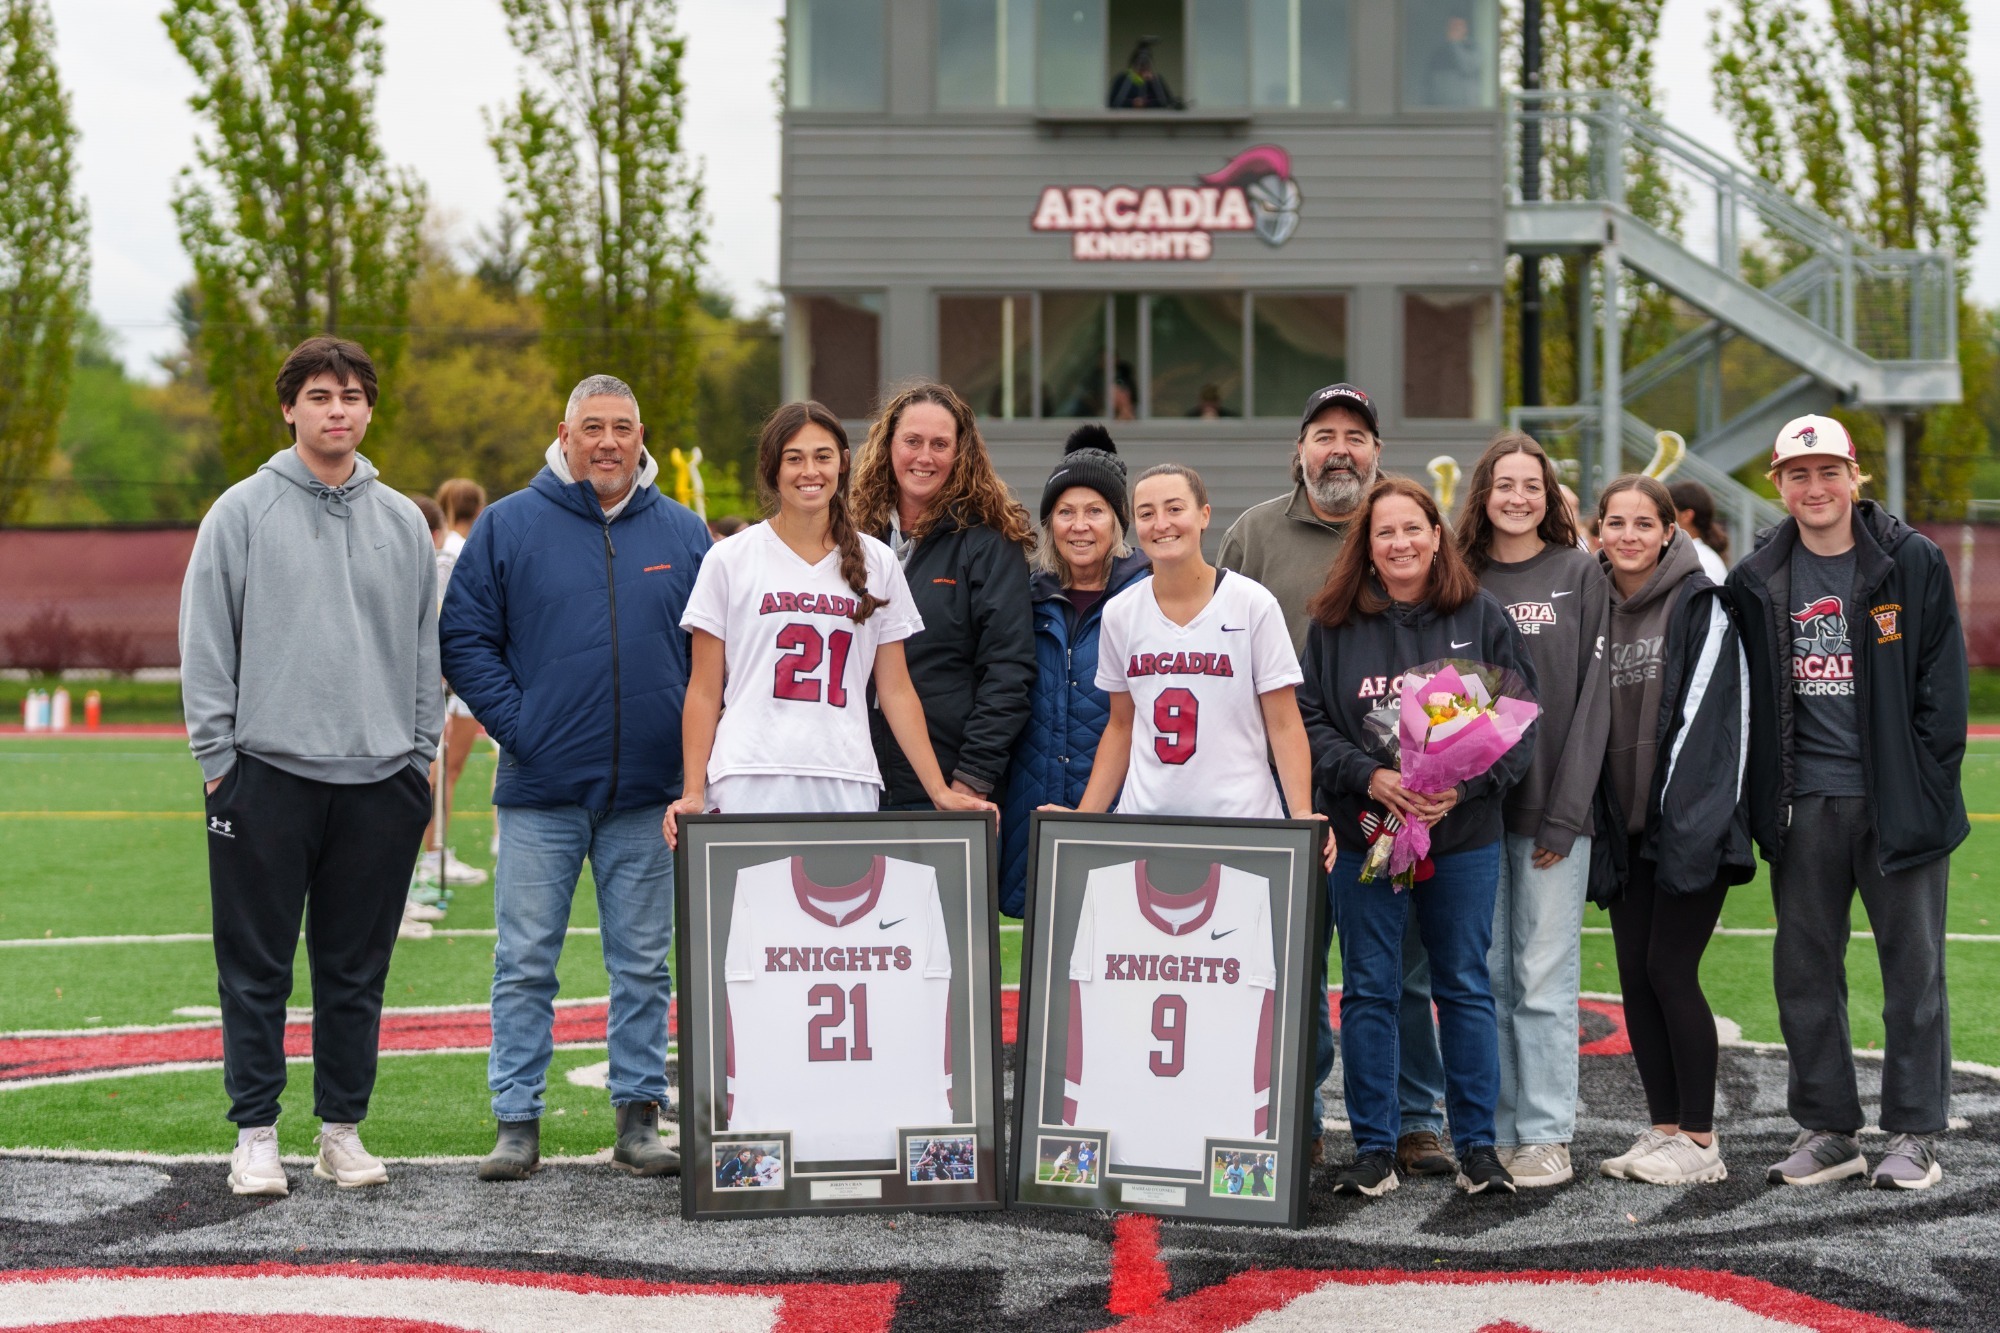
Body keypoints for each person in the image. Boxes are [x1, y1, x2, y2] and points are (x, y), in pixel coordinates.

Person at [179, 335, 442, 1198]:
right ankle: (256, 1134)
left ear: (370, 409)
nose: (339, 409)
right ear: (289, 406)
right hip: (266, 778)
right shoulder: (240, 511)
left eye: (354, 395)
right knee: (254, 965)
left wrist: (418, 759)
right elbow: (207, 643)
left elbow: (422, 650)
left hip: (379, 784)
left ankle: (341, 1130)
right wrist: (220, 762)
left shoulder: (404, 520)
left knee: (354, 969)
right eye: (321, 394)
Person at [441, 374, 710, 1184]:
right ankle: (517, 1121)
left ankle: (637, 1118)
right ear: (564, 433)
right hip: (541, 791)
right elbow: (465, 638)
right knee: (524, 959)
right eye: (591, 426)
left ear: (641, 435)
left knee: (643, 964)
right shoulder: (510, 525)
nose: (607, 442)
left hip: (648, 795)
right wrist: (525, 729)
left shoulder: (688, 532)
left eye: (621, 427)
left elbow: (715, 655)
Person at [1728, 415, 1968, 1191]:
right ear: (1778, 483)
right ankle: (1831, 1129)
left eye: (1829, 470)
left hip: (1895, 805)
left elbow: (1943, 689)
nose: (1815, 487)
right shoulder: (1756, 575)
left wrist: (1924, 789)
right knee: (1803, 973)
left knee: (1914, 972)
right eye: (1799, 474)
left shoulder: (1912, 560)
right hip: (1804, 805)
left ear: (1854, 476)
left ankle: (1914, 1132)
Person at [1297, 476, 1536, 1198]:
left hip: (1459, 837)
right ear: (1365, 548)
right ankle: (1374, 1147)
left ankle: (1479, 1149)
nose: (1400, 543)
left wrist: (1459, 790)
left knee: (1463, 986)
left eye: (1413, 528)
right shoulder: (1335, 624)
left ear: (1437, 535)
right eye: (1384, 532)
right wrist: (1369, 777)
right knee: (1369, 987)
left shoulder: (1481, 615)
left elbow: (1518, 726)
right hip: (1365, 831)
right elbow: (1307, 721)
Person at [1403, 432, 1609, 1189]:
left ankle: (1547, 1134)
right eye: (1505, 484)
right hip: (1471, 818)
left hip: (1554, 812)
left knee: (1544, 976)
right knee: (1480, 974)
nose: (1518, 497)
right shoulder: (1459, 575)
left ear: (1550, 497)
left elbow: (1591, 709)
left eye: (1533, 485)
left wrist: (1568, 810)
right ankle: (1488, 1131)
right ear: (1482, 493)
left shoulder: (1581, 573)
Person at [662, 401, 995, 839]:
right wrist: (692, 791)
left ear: (842, 462)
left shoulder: (877, 560)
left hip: (846, 777)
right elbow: (705, 689)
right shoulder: (729, 558)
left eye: (822, 456)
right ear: (772, 467)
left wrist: (938, 789)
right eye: (794, 458)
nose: (809, 471)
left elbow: (895, 689)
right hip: (748, 775)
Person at [1216, 381, 1382, 1168]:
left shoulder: (1406, 527)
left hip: (1392, 792)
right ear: (1300, 451)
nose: (1339, 447)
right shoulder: (1252, 534)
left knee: (1394, 968)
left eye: (1354, 434)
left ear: (1377, 453)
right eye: (1324, 433)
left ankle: (1405, 1121)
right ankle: (1300, 1116)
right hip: (1282, 790)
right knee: (1291, 966)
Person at [1589, 475, 1753, 1187]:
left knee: (1669, 969)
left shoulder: (1701, 603)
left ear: (1667, 531)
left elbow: (1712, 725)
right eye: (1614, 522)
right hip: (1623, 829)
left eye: (1641, 523)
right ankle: (1663, 1129)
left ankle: (1702, 1140)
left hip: (1689, 824)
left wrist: (1681, 824)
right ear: (1598, 531)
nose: (1627, 534)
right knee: (1634, 977)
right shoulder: (1594, 605)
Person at [1060, 464, 1318, 835]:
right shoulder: (1120, 612)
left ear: (1204, 515)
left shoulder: (1252, 604)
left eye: (1175, 508)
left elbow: (1284, 723)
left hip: (1241, 824)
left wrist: (1302, 817)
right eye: (1147, 513)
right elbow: (1121, 725)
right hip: (1144, 822)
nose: (1161, 523)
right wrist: (1085, 818)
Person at [851, 384, 1035, 812]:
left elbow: (1008, 670)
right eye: (912, 441)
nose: (924, 457)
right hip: (857, 774)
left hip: (947, 782)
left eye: (940, 444)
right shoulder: (852, 541)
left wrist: (972, 777)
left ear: (961, 453)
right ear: (888, 446)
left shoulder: (989, 544)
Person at [998, 424, 1150, 916]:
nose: (1078, 525)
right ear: (1049, 523)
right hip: (1032, 808)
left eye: (1094, 512)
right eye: (1065, 512)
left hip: (1122, 809)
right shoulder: (1022, 597)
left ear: (1117, 522)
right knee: (1042, 959)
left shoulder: (1149, 598)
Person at [422, 478, 490, 892]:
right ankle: (433, 854)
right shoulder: (456, 553)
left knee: (444, 770)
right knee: (443, 770)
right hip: (454, 677)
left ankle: (435, 851)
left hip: (450, 675)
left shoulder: (449, 549)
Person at [1668, 479, 1730, 582]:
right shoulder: (1695, 555)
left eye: (1668, 509)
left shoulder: (1700, 561)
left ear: (1687, 516)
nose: (1662, 516)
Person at [1108, 37, 1182, 109]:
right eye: (1140, 66)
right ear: (1133, 65)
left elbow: (1168, 103)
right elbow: (1112, 103)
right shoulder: (1122, 79)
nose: (1143, 69)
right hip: (1127, 118)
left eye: (1146, 65)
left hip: (1152, 119)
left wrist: (1153, 82)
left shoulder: (1156, 80)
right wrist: (1132, 103)